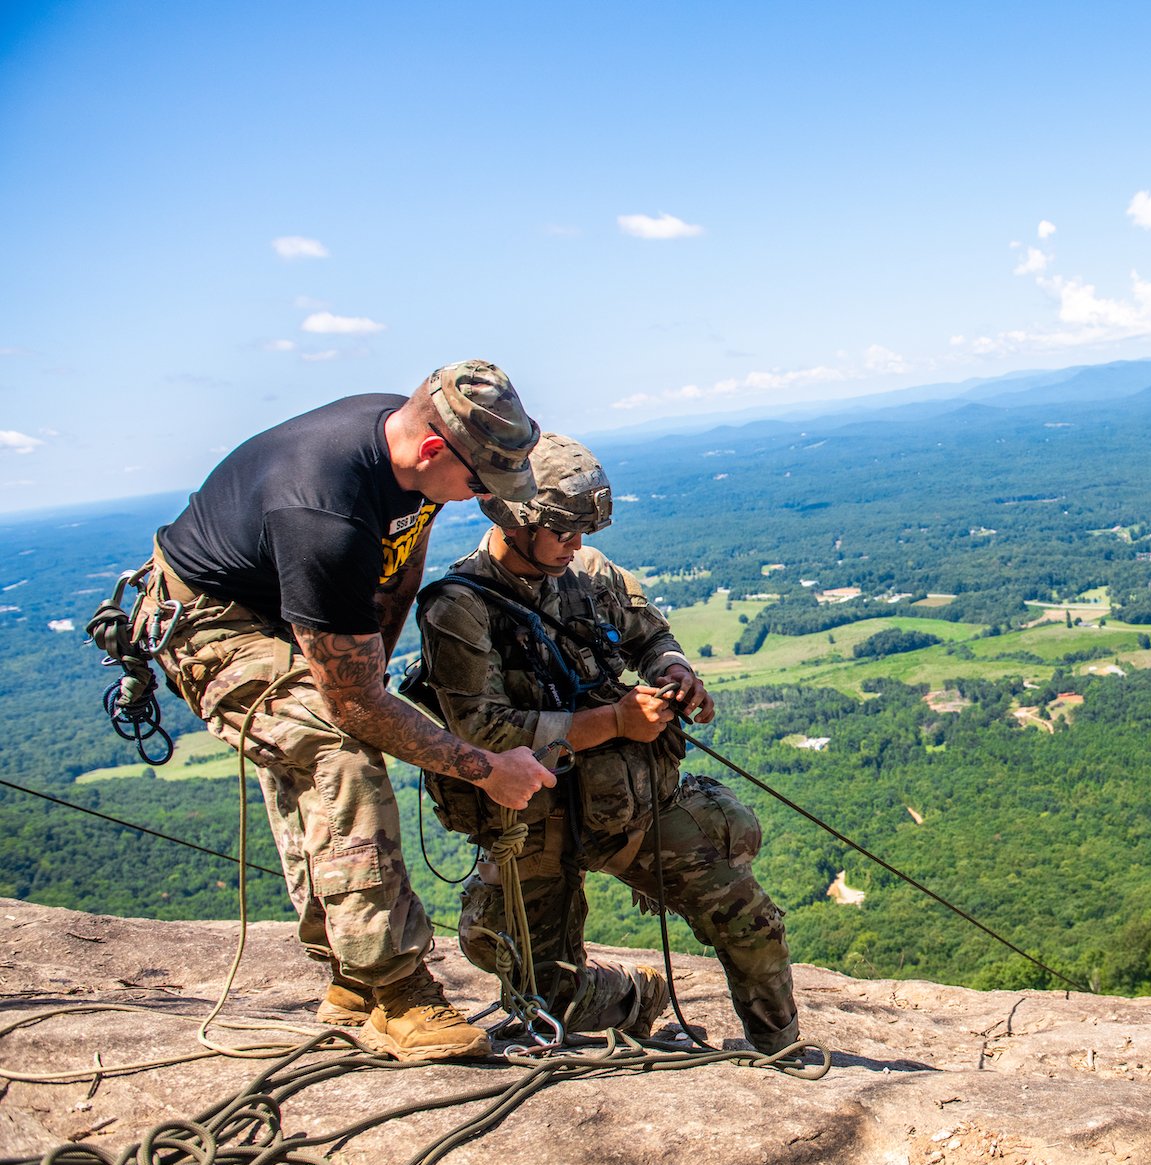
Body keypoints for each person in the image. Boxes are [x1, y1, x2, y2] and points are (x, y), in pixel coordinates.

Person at [134, 361, 558, 1061]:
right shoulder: (322, 511)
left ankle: (351, 980)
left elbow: (402, 552)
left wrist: (375, 660)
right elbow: (355, 707)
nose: (478, 498)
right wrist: (486, 769)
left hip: (289, 606)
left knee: (329, 739)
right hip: (213, 623)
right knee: (334, 749)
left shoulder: (411, 451)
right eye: (478, 482)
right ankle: (396, 995)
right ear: (430, 450)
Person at [411, 433, 798, 1053]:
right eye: (562, 532)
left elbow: (650, 637)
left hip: (626, 807)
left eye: (581, 533)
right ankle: (635, 999)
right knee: (547, 994)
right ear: (515, 518)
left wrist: (673, 672)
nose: (576, 546)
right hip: (530, 825)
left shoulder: (586, 574)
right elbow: (480, 733)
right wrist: (614, 722)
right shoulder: (459, 608)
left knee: (750, 923)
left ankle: (780, 1050)